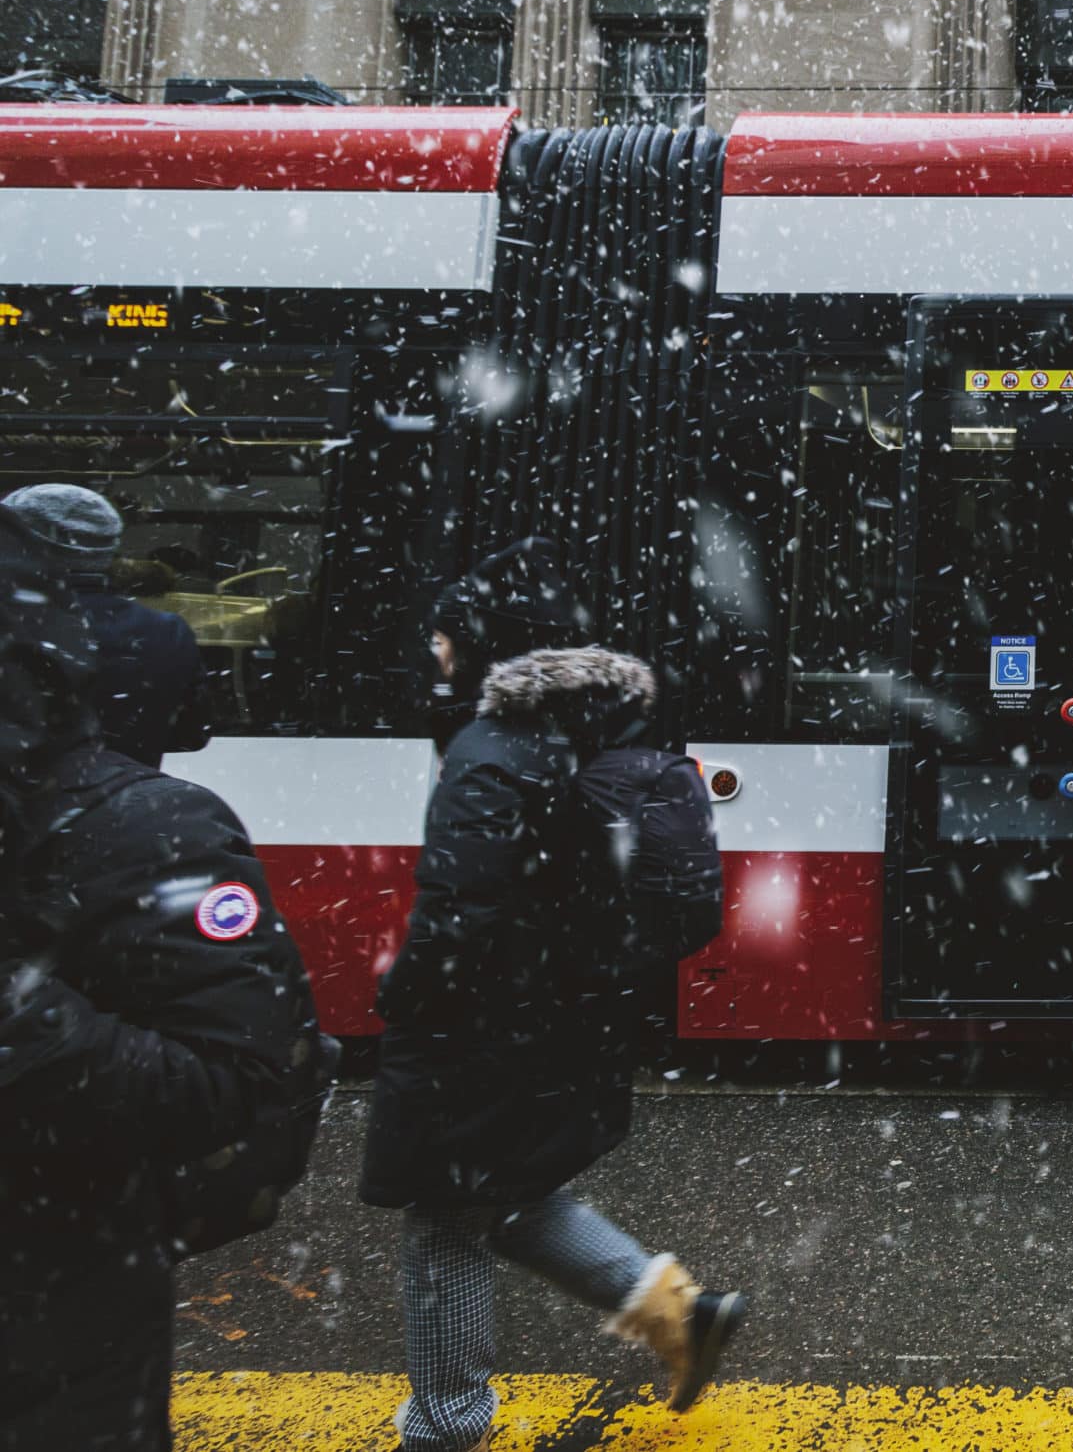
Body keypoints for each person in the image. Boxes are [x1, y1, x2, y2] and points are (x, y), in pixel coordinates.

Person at [361, 537, 745, 1451]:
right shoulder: (586, 728)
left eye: (447, 633)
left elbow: (462, 903)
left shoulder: (488, 748)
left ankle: (447, 1426)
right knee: (502, 1190)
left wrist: (406, 994)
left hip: (481, 1023)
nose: (436, 649)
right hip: (563, 1013)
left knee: (445, 1219)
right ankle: (677, 1312)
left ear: (483, 640)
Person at [0, 504, 323, 1452]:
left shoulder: (138, 832)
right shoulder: (163, 636)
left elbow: (240, 1084)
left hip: (55, 1325)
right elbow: (195, 725)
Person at [3, 484, 212, 768]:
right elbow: (191, 735)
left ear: (22, 545)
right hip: (121, 802)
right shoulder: (166, 631)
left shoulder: (13, 622)